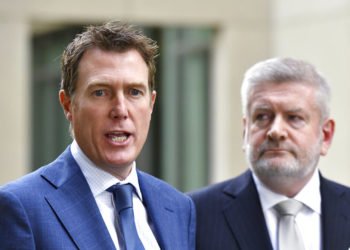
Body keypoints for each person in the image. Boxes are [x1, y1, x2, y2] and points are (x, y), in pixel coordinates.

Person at [0, 21, 195, 250]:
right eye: (101, 92)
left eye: (134, 92)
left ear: (151, 104)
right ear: (68, 104)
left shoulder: (178, 208)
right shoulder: (21, 207)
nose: (120, 110)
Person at [190, 57, 350, 250]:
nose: (276, 131)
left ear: (325, 135)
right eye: (262, 117)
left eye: (294, 118)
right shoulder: (194, 214)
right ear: (245, 131)